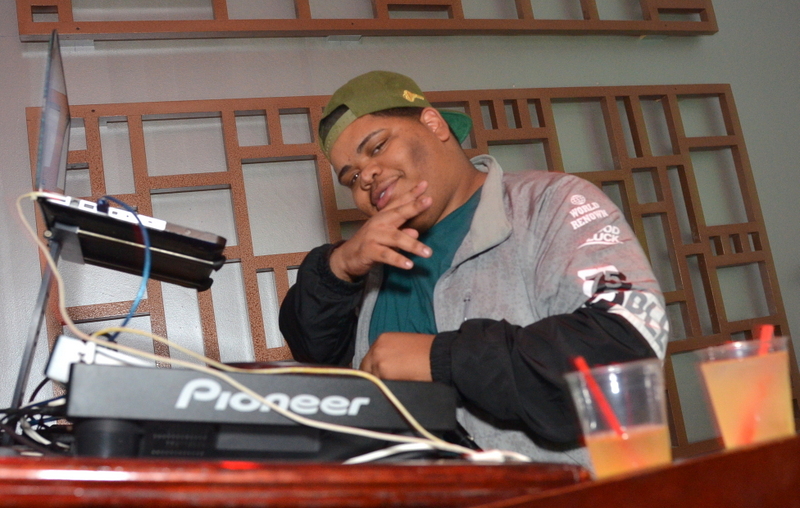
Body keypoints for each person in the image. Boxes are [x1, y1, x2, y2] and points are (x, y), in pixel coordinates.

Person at [279, 70, 669, 465]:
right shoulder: (375, 261)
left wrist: (442, 359)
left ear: (434, 124)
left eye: (377, 147)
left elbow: (625, 351)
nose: (366, 176)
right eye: (351, 177)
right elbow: (316, 356)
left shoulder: (549, 205)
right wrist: (339, 267)